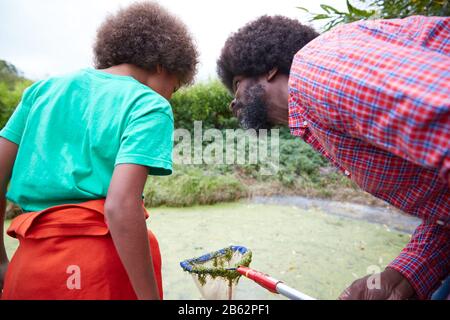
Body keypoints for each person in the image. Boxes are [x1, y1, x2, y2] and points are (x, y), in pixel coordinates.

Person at [217, 15, 449, 300]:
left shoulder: (317, 70)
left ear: (269, 70)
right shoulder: (314, 119)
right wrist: (402, 276)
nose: (233, 101)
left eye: (237, 82)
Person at [0, 1, 198, 300]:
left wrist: (1, 260)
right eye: (176, 85)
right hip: (97, 272)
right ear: (162, 65)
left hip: (28, 267)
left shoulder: (41, 91)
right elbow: (120, 206)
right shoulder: (149, 104)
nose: (171, 94)